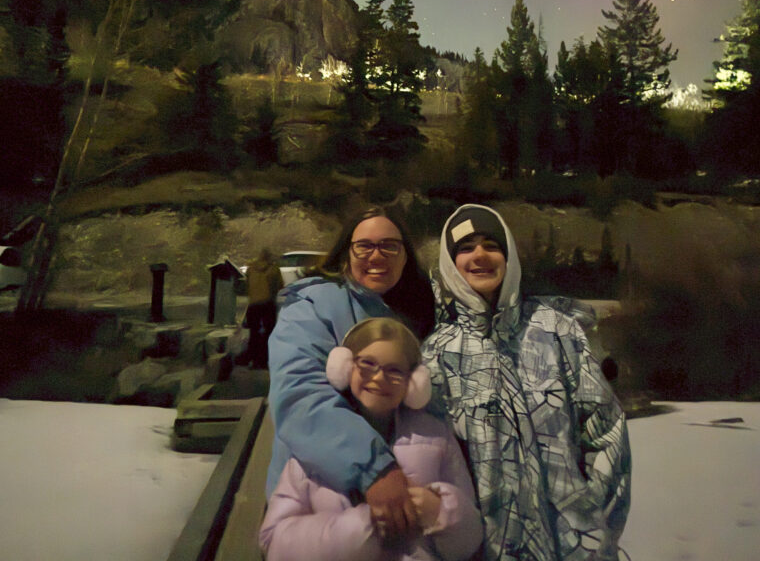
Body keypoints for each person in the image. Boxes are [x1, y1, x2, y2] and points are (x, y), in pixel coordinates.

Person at [422, 204, 631, 561]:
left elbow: (606, 433)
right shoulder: (436, 355)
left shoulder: (556, 330)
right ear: (450, 263)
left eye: (492, 244)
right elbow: (432, 465)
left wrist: (595, 527)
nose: (480, 255)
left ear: (509, 256)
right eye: (466, 247)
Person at [267, 204, 436, 543]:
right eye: (365, 245)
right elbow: (299, 394)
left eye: (390, 245)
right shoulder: (312, 306)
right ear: (346, 252)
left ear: (406, 257)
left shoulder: (417, 313)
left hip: (402, 502)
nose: (377, 255)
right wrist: (375, 469)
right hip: (315, 499)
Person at [260, 317, 483, 561]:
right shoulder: (318, 443)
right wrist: (359, 530)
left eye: (394, 370)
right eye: (367, 363)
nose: (378, 378)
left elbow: (471, 539)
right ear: (344, 368)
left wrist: (441, 511)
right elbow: (274, 542)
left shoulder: (437, 436)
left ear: (415, 381)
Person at [241, 247, 283, 369]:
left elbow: (246, 286)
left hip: (253, 305)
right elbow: (280, 286)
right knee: (268, 333)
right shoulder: (274, 269)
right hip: (267, 304)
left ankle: (253, 360)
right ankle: (263, 360)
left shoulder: (251, 269)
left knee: (254, 333)